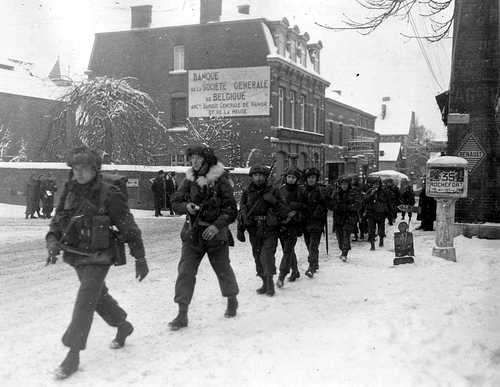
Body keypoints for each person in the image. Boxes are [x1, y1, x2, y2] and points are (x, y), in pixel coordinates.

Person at [45, 146, 148, 379]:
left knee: (85, 299)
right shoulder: (69, 190)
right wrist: (52, 240)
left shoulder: (109, 193)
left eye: (84, 169)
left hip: (101, 255)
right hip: (76, 254)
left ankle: (73, 355)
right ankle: (123, 325)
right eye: (75, 169)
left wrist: (140, 257)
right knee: (96, 296)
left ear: (95, 169)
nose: (79, 173)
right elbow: (57, 222)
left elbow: (128, 226)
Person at [169, 144, 239, 330]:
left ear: (207, 160)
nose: (194, 162)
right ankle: (182, 314)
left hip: (215, 235)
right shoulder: (189, 179)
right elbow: (175, 201)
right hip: (193, 233)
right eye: (192, 158)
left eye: (198, 159)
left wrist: (217, 226)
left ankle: (231, 299)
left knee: (222, 268)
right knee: (185, 272)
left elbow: (231, 209)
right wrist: (187, 207)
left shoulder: (221, 180)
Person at [237, 164, 290, 296]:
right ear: (252, 177)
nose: (258, 178)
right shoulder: (247, 192)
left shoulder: (274, 191)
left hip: (270, 228)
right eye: (256, 175)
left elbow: (284, 210)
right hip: (254, 229)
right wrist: (240, 229)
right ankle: (264, 281)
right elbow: (242, 211)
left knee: (267, 256)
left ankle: (270, 282)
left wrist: (274, 202)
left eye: (261, 175)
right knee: (257, 256)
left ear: (266, 177)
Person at [276, 166, 305, 288]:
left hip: (294, 225)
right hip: (282, 225)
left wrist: (295, 209)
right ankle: (295, 271)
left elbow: (305, 206)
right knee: (288, 250)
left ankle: (282, 275)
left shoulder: (300, 191)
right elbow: (276, 205)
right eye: (289, 177)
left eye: (293, 177)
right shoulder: (280, 190)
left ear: (297, 179)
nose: (291, 179)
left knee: (287, 250)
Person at [302, 167, 328, 277]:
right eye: (309, 178)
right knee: (309, 244)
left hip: (317, 222)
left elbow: (328, 204)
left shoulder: (321, 190)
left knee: (313, 245)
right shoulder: (302, 190)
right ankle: (315, 262)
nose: (311, 180)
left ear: (316, 179)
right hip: (305, 221)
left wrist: (322, 207)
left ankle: (311, 267)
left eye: (313, 177)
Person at [330, 176, 361, 261]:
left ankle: (344, 252)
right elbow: (331, 204)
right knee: (339, 237)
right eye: (342, 184)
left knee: (346, 235)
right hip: (338, 217)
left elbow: (358, 204)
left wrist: (348, 207)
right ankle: (343, 248)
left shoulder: (353, 193)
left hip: (349, 217)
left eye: (345, 184)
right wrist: (335, 206)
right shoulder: (336, 193)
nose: (344, 186)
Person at [364, 175, 392, 250]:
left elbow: (388, 202)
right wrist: (371, 194)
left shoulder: (384, 191)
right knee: (371, 229)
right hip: (371, 213)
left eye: (377, 184)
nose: (376, 185)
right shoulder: (370, 191)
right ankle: (372, 244)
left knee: (381, 228)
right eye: (374, 184)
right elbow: (365, 200)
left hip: (381, 213)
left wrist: (390, 213)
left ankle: (381, 240)